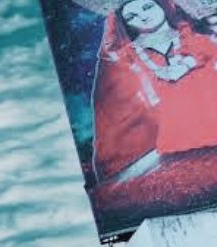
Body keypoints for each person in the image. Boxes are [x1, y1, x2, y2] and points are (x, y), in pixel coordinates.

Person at [92, 0, 217, 182]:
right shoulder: (128, 55)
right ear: (125, 24)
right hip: (172, 135)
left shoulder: (191, 36)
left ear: (163, 6)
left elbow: (208, 50)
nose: (143, 17)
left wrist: (188, 64)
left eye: (147, 7)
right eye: (131, 17)